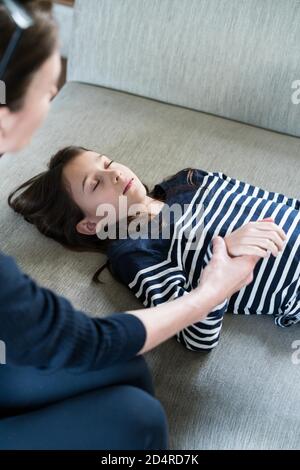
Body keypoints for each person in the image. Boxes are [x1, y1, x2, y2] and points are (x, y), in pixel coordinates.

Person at [0, 0, 259, 449]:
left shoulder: (186, 186)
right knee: (135, 416)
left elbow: (61, 338)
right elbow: (82, 341)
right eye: (49, 93)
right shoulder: (133, 251)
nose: (52, 105)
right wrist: (211, 293)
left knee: (130, 368)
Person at [9, 147, 299, 354]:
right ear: (89, 224)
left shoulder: (187, 179)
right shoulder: (135, 251)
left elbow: (274, 200)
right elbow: (195, 336)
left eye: (108, 163)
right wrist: (224, 254)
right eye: (96, 183)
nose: (116, 175)